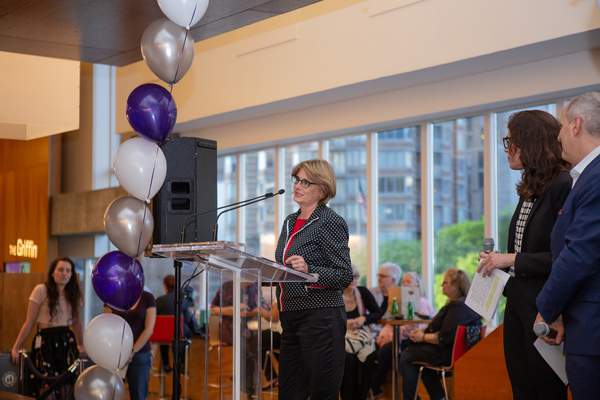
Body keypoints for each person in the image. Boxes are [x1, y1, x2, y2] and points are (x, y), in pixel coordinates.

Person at [477, 110, 571, 400]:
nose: (506, 150)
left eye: (511, 142)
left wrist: (510, 259)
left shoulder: (563, 185)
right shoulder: (529, 189)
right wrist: (498, 262)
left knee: (546, 389)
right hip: (517, 301)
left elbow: (565, 256)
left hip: (544, 306)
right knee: (522, 389)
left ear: (530, 143)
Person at [535, 92, 600, 400]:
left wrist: (547, 309)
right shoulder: (586, 176)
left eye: (561, 126)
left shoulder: (596, 176)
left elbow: (579, 255)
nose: (558, 136)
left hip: (593, 334)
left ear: (576, 125)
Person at [275, 158, 353, 400]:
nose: (297, 186)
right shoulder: (289, 221)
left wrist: (310, 272)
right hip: (290, 319)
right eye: (296, 180)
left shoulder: (330, 222)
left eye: (305, 182)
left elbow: (344, 275)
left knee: (322, 393)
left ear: (322, 189)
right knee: (289, 393)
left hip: (321, 319)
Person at [399, 268, 481, 400]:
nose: (441, 285)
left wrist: (422, 337)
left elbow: (444, 337)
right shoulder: (464, 304)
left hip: (449, 354)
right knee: (419, 358)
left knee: (407, 355)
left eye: (445, 282)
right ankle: (438, 396)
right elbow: (446, 329)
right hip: (456, 352)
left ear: (455, 286)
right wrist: (424, 330)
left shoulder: (457, 307)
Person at [11, 257, 85, 400]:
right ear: (52, 272)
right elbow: (29, 322)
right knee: (46, 385)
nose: (64, 273)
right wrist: (16, 347)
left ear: (71, 274)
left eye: (68, 270)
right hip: (45, 341)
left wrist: (81, 344)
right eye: (61, 269)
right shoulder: (41, 290)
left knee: (67, 386)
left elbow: (77, 322)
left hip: (66, 341)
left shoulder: (74, 294)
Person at [370, 271, 435, 399]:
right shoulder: (399, 301)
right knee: (374, 350)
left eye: (408, 281)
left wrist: (390, 339)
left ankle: (373, 389)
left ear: (417, 285)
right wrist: (382, 336)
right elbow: (390, 322)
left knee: (386, 352)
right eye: (403, 281)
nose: (405, 284)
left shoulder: (421, 302)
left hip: (413, 339)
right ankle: (370, 390)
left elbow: (413, 328)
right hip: (400, 338)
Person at [105, 290, 156, 400]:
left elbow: (149, 329)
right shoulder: (112, 296)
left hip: (139, 352)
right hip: (116, 353)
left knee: (138, 395)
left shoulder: (147, 297)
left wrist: (132, 351)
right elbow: (107, 325)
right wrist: (120, 351)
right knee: (112, 395)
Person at [340, 265, 381, 400]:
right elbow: (325, 320)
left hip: (361, 337)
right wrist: (345, 324)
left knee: (369, 358)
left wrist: (364, 318)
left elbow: (377, 313)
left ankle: (361, 396)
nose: (354, 279)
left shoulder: (362, 292)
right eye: (351, 276)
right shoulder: (335, 295)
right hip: (342, 337)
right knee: (348, 360)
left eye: (356, 276)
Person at [155, 274, 199, 372]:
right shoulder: (182, 300)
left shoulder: (159, 300)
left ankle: (165, 364)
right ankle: (182, 364)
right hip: (179, 333)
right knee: (184, 334)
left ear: (165, 286)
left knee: (164, 335)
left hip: (163, 336)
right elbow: (187, 319)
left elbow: (155, 320)